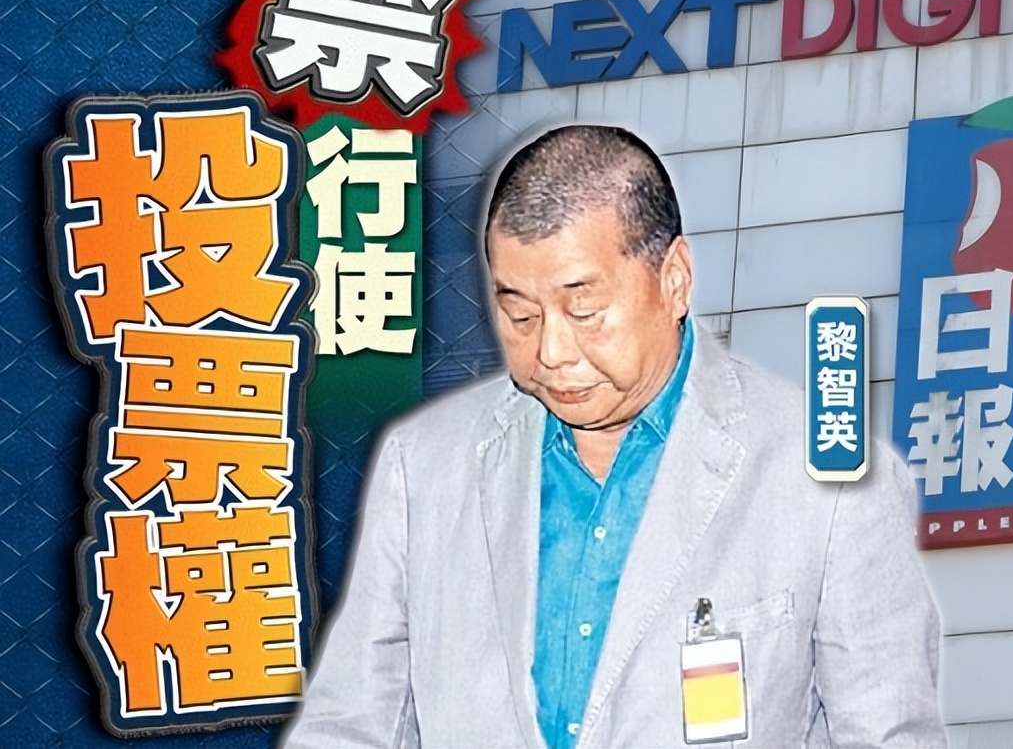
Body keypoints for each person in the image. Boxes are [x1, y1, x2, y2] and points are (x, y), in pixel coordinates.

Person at [283, 125, 945, 748]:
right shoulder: (427, 465)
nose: (552, 352)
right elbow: (351, 727)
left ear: (674, 280)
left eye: (585, 310)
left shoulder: (826, 481)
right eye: (519, 314)